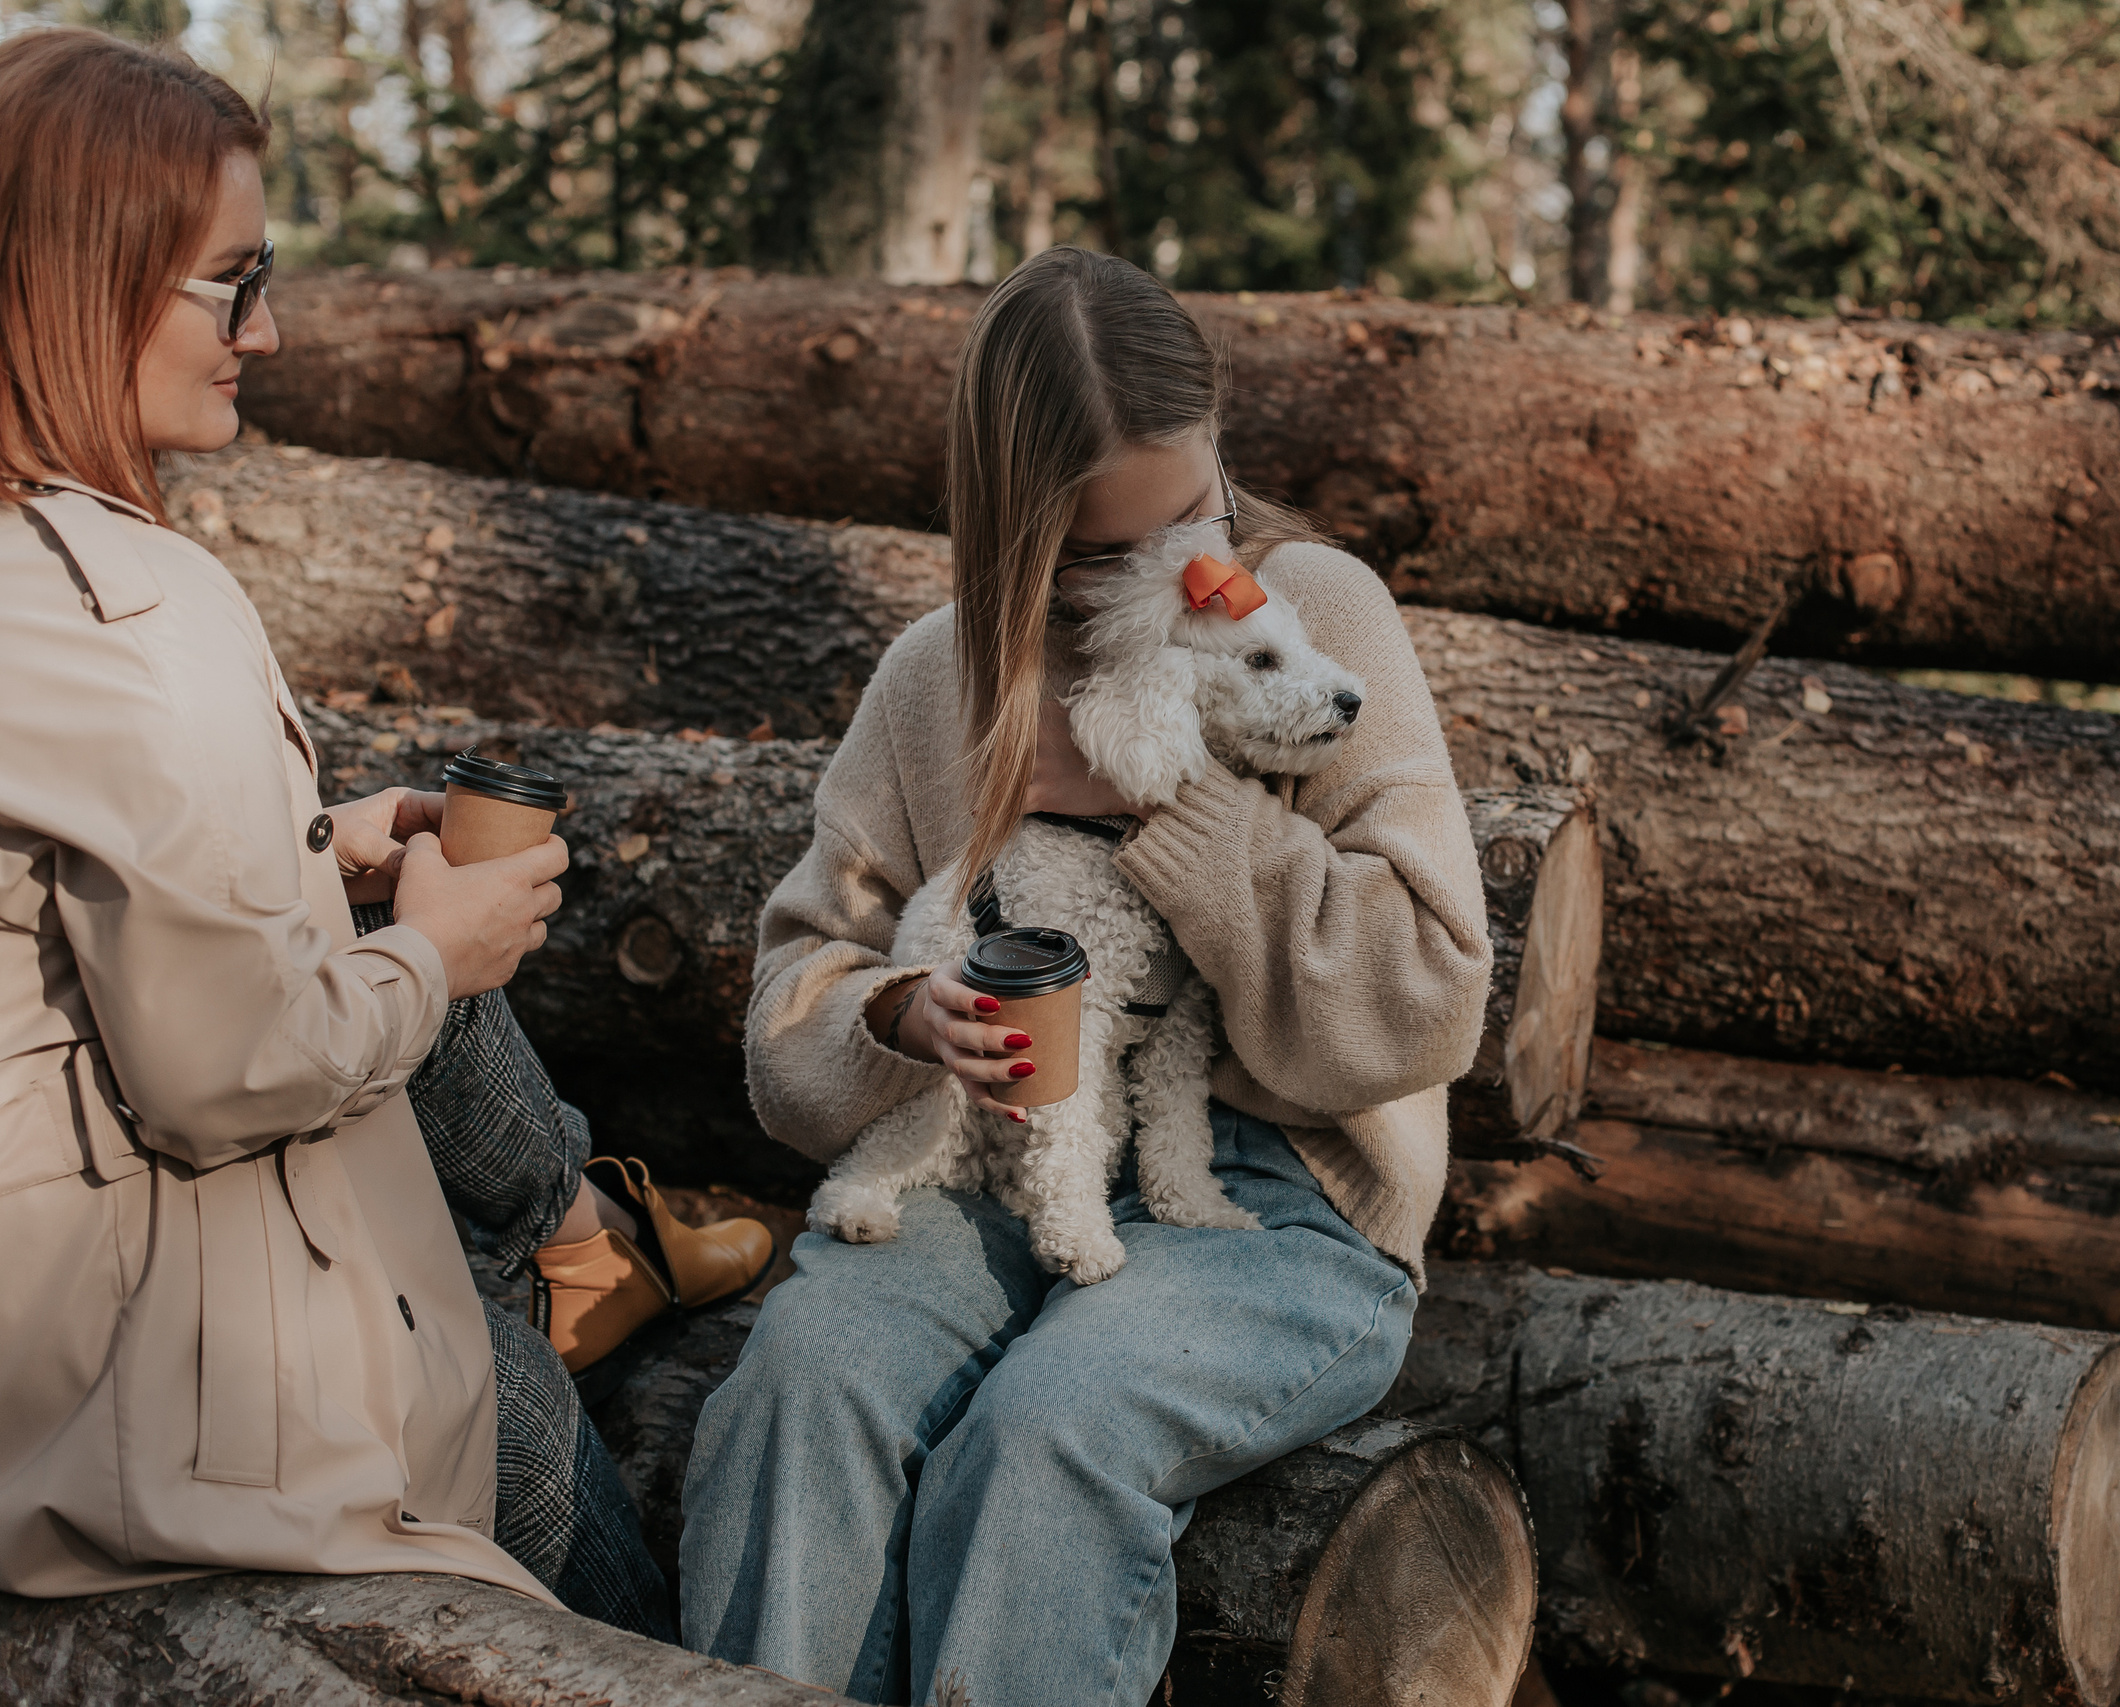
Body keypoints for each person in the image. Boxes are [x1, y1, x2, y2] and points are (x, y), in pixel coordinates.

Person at [0, 28, 770, 1629]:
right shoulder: (129, 609)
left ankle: (579, 1237)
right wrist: (440, 947)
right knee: (519, 1432)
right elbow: (224, 1076)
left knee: (493, 1298)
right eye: (234, 278)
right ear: (88, 280)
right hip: (178, 1411)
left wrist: (304, 846)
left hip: (66, 1356)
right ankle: (582, 1255)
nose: (264, 329)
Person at [680, 247, 1495, 1702]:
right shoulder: (941, 673)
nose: (1166, 573)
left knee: (1051, 1429)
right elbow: (806, 977)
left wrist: (1165, 809)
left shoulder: (1312, 613)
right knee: (803, 1384)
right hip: (985, 1164)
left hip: (1278, 1197)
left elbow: (1432, 990)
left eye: (1184, 518)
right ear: (1011, 532)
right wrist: (894, 1017)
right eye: (1096, 558)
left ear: (1217, 447)